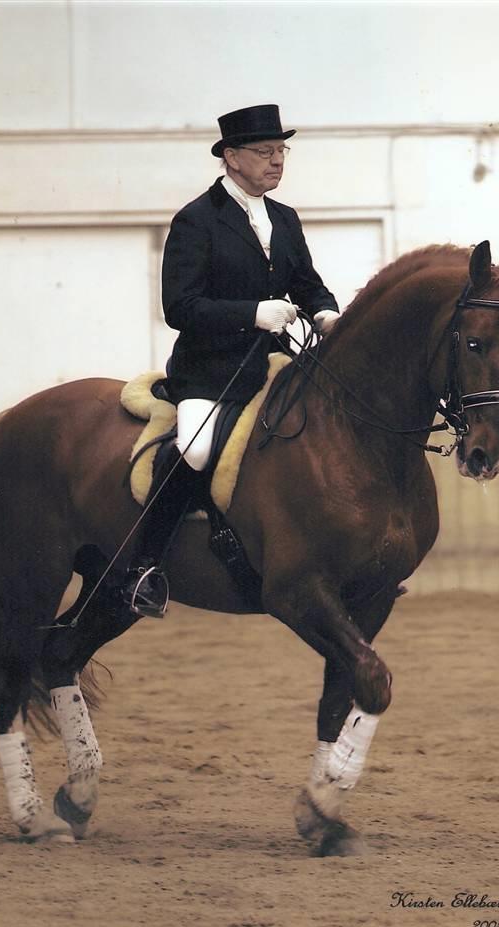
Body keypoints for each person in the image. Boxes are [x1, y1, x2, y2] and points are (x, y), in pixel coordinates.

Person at [124, 104, 340, 617]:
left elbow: (306, 282)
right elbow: (179, 307)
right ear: (231, 158)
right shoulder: (197, 220)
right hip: (210, 372)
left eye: (281, 151)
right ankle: (144, 568)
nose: (276, 162)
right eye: (264, 152)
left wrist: (328, 315)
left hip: (270, 366)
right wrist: (254, 313)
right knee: (195, 452)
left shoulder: (284, 218)